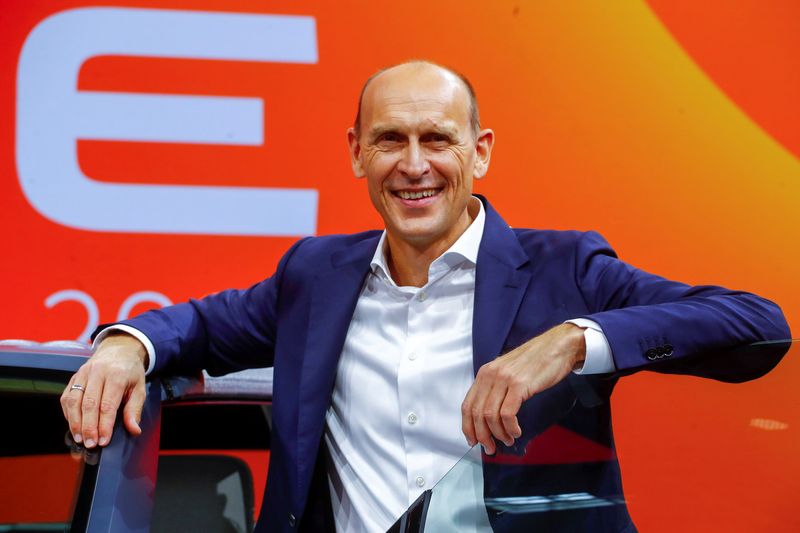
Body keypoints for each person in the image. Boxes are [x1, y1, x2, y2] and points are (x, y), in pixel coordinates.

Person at [60, 61, 790, 532]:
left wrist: (573, 340)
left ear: (481, 151)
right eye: (389, 140)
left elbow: (757, 326)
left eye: (437, 139)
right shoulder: (314, 275)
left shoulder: (565, 267)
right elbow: (196, 325)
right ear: (355, 152)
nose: (415, 166)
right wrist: (128, 344)